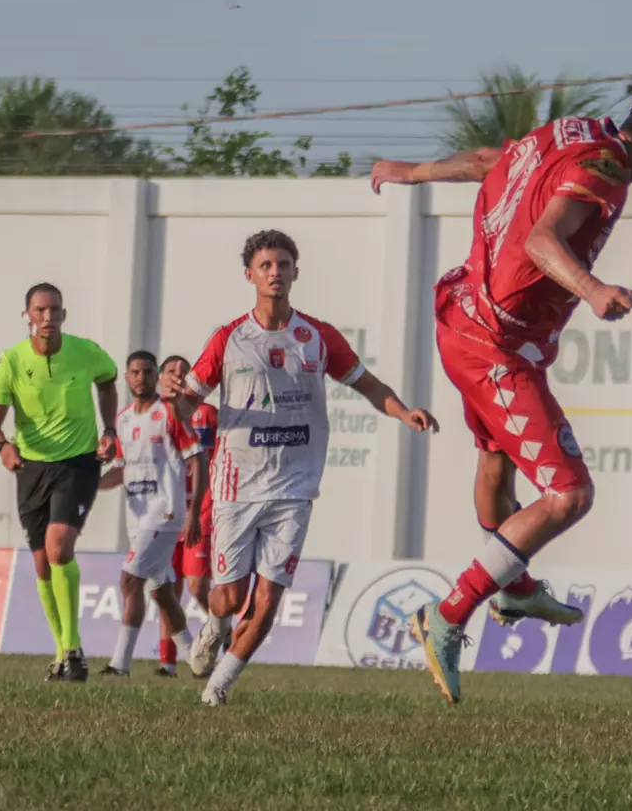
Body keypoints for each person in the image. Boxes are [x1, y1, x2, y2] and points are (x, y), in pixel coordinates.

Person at [370, 85, 632, 704]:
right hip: (495, 349)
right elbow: (540, 240)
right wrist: (592, 289)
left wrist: (411, 173)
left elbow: (484, 164)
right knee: (569, 494)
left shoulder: (571, 131)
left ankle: (515, 586)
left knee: (495, 464)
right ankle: (448, 614)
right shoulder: (606, 172)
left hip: (464, 316)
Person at [162, 229, 438, 706]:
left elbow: (367, 384)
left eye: (283, 264)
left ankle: (218, 687)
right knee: (228, 597)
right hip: (236, 485)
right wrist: (176, 398)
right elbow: (189, 406)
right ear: (249, 275)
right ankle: (216, 624)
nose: (275, 273)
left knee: (269, 596)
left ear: (296, 272)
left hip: (295, 486)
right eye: (265, 265)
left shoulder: (317, 336)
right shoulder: (229, 339)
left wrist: (403, 410)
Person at [0, 283, 118, 683]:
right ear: (27, 315)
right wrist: (2, 447)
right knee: (42, 564)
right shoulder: (10, 361)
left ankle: (74, 650)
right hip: (31, 468)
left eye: (54, 310)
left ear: (63, 314)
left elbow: (108, 380)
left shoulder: (85, 351)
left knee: (59, 548)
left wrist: (109, 428)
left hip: (78, 463)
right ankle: (61, 652)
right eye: (40, 310)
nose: (47, 317)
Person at [98, 351, 206, 677]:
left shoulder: (169, 414)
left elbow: (197, 459)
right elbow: (119, 469)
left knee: (129, 579)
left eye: (147, 372)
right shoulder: (124, 418)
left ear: (156, 377)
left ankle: (120, 664)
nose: (141, 378)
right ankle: (196, 658)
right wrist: (89, 485)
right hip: (137, 516)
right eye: (135, 372)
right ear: (127, 378)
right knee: (161, 593)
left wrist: (193, 512)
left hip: (165, 512)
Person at [160, 353, 225, 678]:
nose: (179, 375)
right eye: (171, 371)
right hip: (164, 514)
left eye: (185, 371)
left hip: (200, 512)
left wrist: (203, 511)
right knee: (165, 589)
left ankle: (222, 630)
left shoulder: (207, 415)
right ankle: (167, 663)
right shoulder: (151, 416)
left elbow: (212, 461)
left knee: (198, 585)